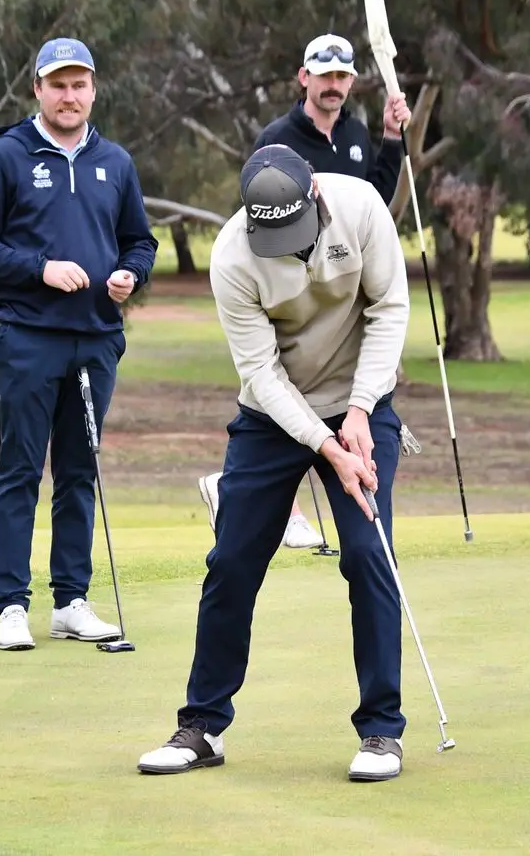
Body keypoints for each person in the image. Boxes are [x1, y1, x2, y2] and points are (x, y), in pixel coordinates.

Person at [140, 144, 413, 782]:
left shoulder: (362, 208)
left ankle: (381, 733)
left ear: (314, 192)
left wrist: (362, 411)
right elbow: (261, 375)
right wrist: (325, 446)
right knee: (233, 560)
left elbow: (389, 309)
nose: (288, 248)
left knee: (369, 555)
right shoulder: (234, 257)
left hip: (360, 402)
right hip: (273, 417)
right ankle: (202, 726)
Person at [0, 37, 158, 650]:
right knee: (20, 471)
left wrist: (131, 275)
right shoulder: (7, 157)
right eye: (58, 85)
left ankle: (71, 601)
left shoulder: (115, 162)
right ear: (37, 90)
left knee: (78, 473)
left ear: (93, 90)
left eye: (79, 85)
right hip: (29, 336)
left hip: (96, 339)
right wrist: (40, 268)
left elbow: (139, 242)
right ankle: (11, 606)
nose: (69, 96)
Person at [196, 33, 413, 549]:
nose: (334, 85)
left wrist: (391, 139)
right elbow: (265, 215)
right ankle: (262, 498)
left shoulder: (357, 134)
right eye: (325, 75)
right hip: (289, 286)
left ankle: (256, 495)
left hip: (344, 273)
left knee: (367, 548)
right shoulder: (277, 137)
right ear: (305, 77)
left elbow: (376, 199)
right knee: (282, 407)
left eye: (343, 77)